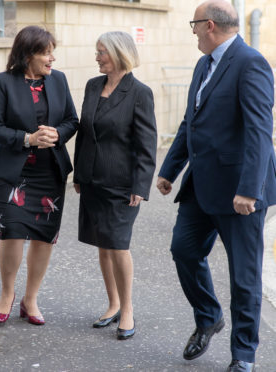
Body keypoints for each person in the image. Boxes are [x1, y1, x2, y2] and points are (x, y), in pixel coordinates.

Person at [156, 1, 275, 371]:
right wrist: (169, 169)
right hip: (200, 185)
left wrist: (250, 190)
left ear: (209, 25)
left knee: (244, 277)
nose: (191, 32)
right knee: (184, 251)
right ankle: (208, 316)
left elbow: (259, 131)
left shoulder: (250, 62)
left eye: (193, 25)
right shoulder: (203, 63)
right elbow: (190, 121)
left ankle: (243, 356)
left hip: (240, 192)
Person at [0, 25, 78, 326]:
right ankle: (7, 294)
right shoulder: (2, 82)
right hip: (12, 173)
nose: (52, 58)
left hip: (49, 172)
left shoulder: (59, 80)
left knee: (43, 236)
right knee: (11, 230)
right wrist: (27, 139)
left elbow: (71, 120)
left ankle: (31, 299)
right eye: (46, 52)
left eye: (53, 51)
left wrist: (56, 133)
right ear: (28, 55)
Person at [73, 31, 157, 340]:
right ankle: (113, 304)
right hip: (93, 180)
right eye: (96, 52)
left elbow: (147, 145)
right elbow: (84, 133)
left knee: (119, 245)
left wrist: (140, 185)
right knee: (103, 243)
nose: (96, 57)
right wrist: (79, 175)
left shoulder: (139, 93)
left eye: (101, 52)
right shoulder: (93, 86)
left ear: (118, 53)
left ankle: (128, 309)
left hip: (123, 185)